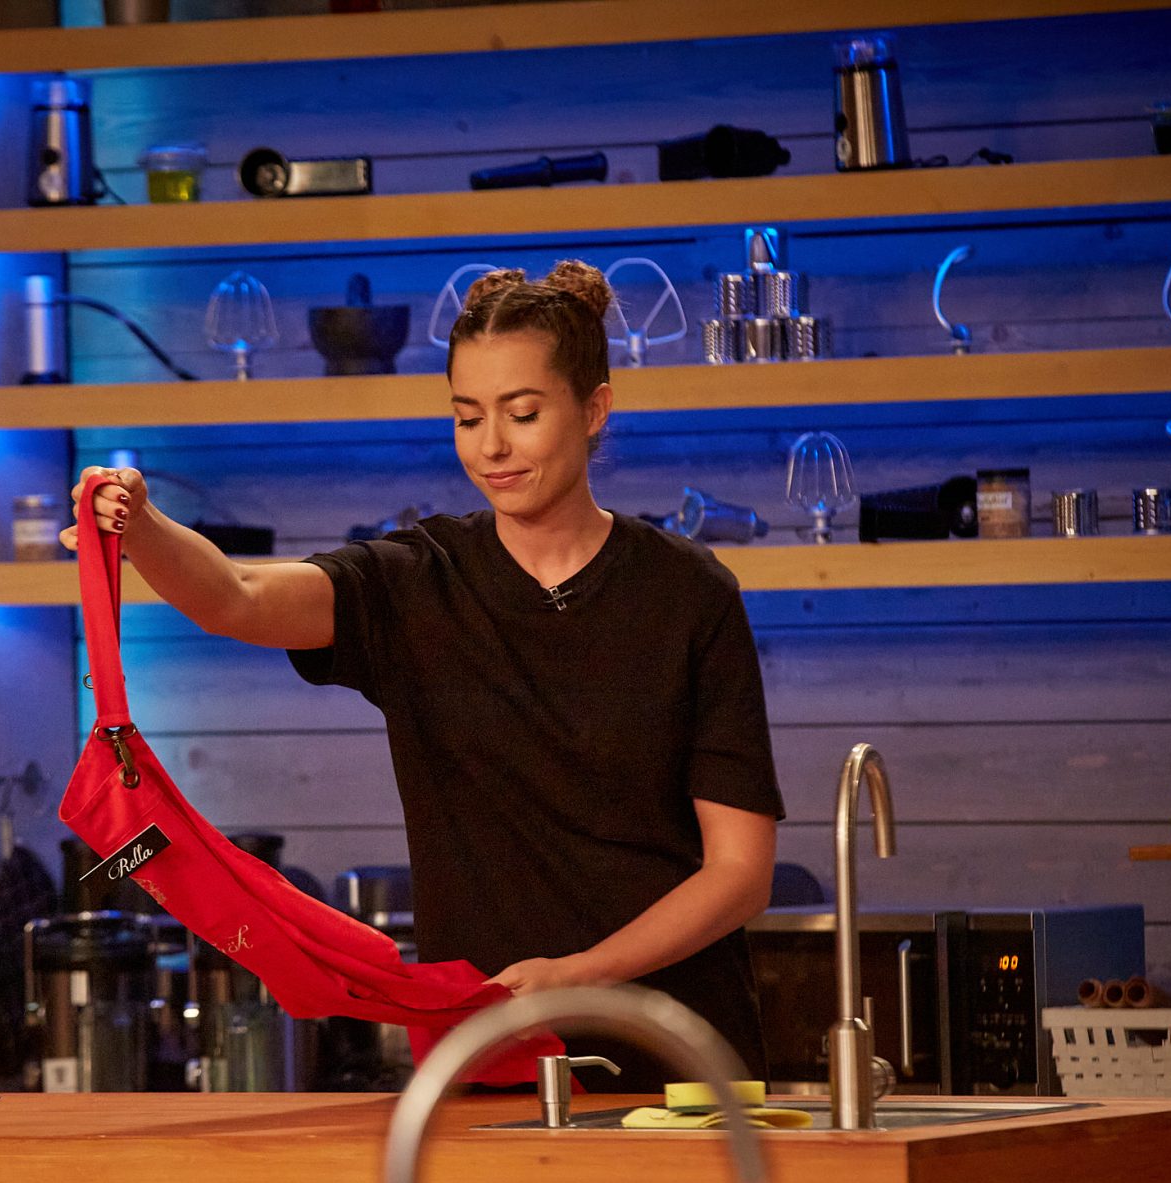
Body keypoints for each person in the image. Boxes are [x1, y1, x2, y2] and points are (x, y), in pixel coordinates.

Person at [61, 261, 785, 1091]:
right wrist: (144, 527)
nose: (492, 446)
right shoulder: (416, 581)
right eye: (467, 416)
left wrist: (578, 974)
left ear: (594, 410)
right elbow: (238, 597)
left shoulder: (689, 594)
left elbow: (739, 874)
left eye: (522, 413)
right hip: (495, 1057)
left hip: (682, 1061)